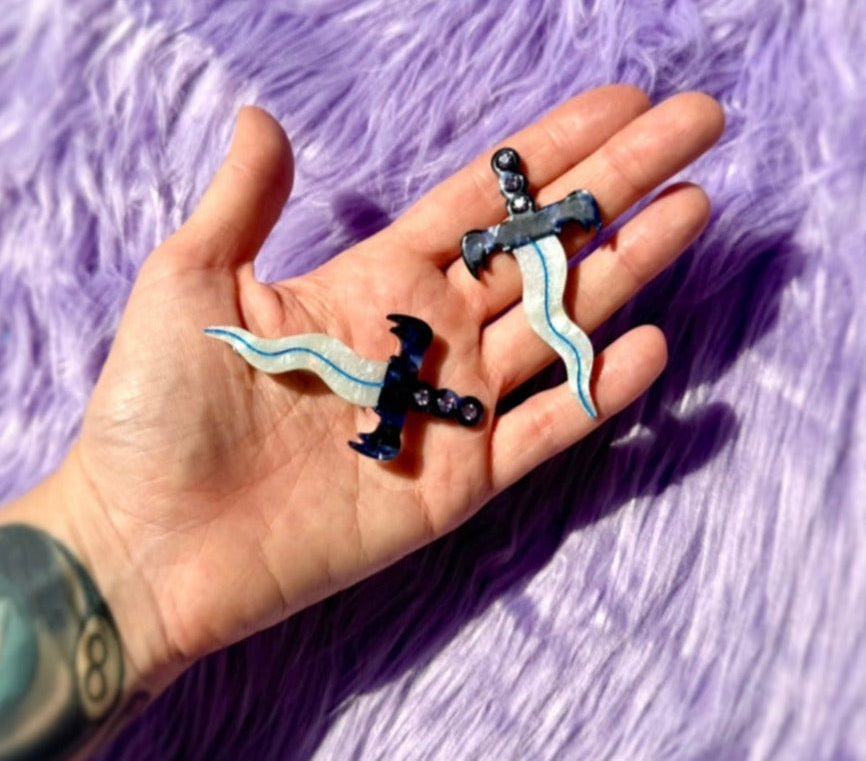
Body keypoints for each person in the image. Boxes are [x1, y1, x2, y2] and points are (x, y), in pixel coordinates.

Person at [0, 85, 724, 760]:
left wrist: (115, 549)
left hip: (404, 381)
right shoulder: (411, 369)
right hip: (395, 387)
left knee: (543, 332)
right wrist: (115, 539)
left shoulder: (431, 347)